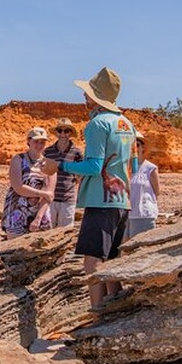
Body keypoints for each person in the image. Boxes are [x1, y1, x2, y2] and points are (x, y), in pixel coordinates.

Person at [44, 67, 135, 308]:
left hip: (100, 200)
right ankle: (114, 310)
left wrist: (59, 165)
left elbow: (94, 167)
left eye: (88, 93)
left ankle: (96, 313)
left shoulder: (97, 124)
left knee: (93, 261)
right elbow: (132, 164)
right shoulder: (127, 123)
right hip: (122, 200)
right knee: (113, 258)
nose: (84, 97)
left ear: (96, 97)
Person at [2, 127, 56, 239]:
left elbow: (49, 195)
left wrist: (38, 218)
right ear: (28, 141)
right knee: (14, 249)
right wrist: (42, 193)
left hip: (40, 212)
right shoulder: (18, 159)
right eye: (36, 141)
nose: (39, 145)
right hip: (17, 210)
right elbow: (18, 187)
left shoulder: (50, 164)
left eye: (42, 142)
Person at [44, 118, 83, 228]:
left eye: (66, 131)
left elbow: (81, 175)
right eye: (60, 130)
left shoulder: (77, 153)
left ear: (70, 133)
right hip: (49, 199)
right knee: (46, 233)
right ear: (56, 133)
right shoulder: (48, 152)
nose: (63, 134)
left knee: (65, 234)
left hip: (68, 199)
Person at [125, 132, 160, 239]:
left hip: (143, 215)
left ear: (142, 147)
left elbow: (157, 192)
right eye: (129, 145)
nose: (133, 148)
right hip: (125, 215)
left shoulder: (150, 168)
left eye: (137, 144)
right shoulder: (124, 167)